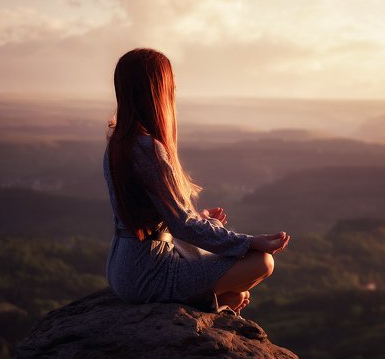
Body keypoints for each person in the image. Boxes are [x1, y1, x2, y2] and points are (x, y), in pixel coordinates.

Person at [103, 47, 289, 315]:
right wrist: (249, 242)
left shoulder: (118, 142)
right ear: (158, 92)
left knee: (216, 241)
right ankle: (213, 302)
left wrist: (199, 216)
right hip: (148, 272)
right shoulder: (148, 149)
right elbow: (183, 226)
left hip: (123, 266)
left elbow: (155, 217)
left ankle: (220, 299)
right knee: (263, 262)